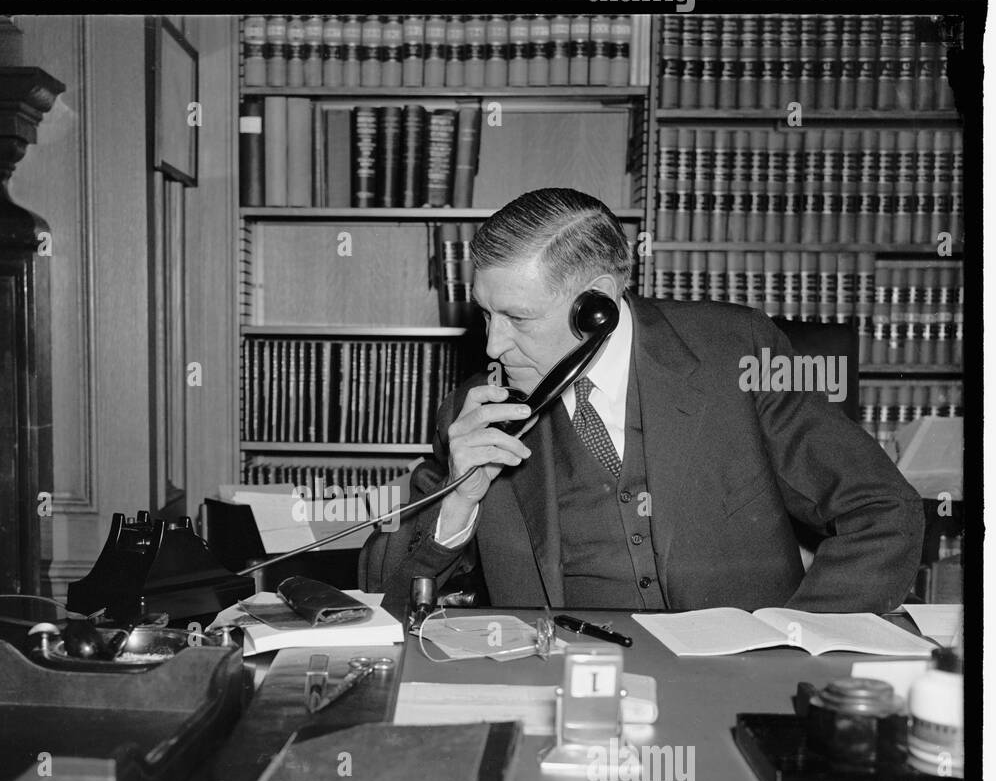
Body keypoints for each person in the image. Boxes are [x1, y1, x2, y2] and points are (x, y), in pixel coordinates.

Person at [360, 188, 924, 614]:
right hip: (565, 683)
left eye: (518, 318)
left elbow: (883, 511)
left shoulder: (737, 352)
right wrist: (460, 500)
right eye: (486, 313)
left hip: (731, 685)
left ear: (597, 302)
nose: (493, 344)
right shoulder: (477, 408)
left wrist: (795, 640)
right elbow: (384, 591)